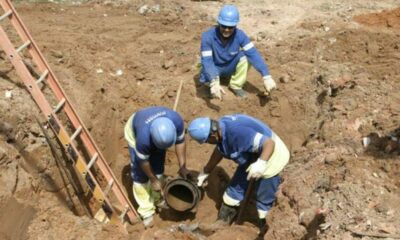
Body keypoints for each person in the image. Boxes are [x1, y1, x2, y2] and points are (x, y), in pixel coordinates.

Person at [187, 114, 289, 237]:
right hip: (251, 156)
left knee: (263, 203)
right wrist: (206, 171)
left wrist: (261, 164)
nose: (208, 143)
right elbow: (220, 149)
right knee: (232, 194)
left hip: (271, 158)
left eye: (207, 141)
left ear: (212, 135)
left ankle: (265, 232)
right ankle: (222, 224)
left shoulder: (237, 133)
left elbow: (269, 144)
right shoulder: (220, 129)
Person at [124, 106, 191, 227]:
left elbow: (180, 142)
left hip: (154, 134)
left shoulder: (176, 121)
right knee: (141, 177)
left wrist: (183, 166)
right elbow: (143, 161)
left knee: (158, 168)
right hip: (134, 132)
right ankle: (146, 211)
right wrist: (153, 179)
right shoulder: (142, 140)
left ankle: (157, 199)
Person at [199, 4, 277, 99]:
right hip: (213, 67)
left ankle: (235, 85)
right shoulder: (207, 36)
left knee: (246, 56)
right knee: (208, 78)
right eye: (224, 26)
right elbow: (207, 61)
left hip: (229, 67)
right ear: (219, 23)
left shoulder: (240, 35)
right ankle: (213, 83)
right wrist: (213, 81)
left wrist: (266, 76)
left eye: (230, 27)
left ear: (235, 25)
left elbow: (253, 54)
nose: (227, 30)